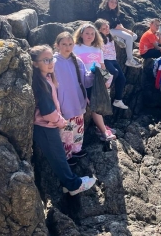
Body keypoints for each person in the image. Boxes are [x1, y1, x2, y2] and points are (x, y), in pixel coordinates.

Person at [30, 45, 96, 195]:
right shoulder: (41, 83)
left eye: (51, 59)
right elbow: (47, 111)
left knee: (58, 156)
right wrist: (61, 122)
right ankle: (73, 186)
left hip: (49, 124)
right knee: (59, 158)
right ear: (35, 63)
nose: (50, 63)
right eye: (45, 60)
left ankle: (69, 183)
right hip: (45, 126)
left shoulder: (46, 78)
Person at [53, 32, 93, 166]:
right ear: (57, 45)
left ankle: (76, 150)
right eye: (64, 44)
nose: (67, 47)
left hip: (78, 102)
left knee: (78, 130)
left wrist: (95, 73)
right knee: (66, 133)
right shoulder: (53, 62)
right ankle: (66, 156)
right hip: (64, 105)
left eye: (70, 44)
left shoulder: (78, 61)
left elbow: (86, 81)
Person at [73, 23, 117, 141]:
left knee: (100, 105)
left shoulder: (98, 48)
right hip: (84, 82)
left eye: (92, 33)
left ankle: (101, 127)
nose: (90, 35)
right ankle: (103, 132)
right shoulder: (75, 48)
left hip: (97, 82)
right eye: (87, 33)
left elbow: (102, 65)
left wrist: (107, 78)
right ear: (81, 34)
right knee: (95, 106)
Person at [96, 0, 141, 67]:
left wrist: (124, 29)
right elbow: (114, 26)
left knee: (134, 36)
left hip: (115, 29)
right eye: (111, 2)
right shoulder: (103, 12)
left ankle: (120, 40)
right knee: (129, 37)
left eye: (115, 2)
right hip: (107, 31)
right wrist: (127, 31)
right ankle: (129, 60)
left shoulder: (113, 12)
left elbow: (119, 23)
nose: (114, 4)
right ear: (107, 2)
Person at [94, 19, 128, 110]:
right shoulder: (98, 39)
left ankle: (118, 100)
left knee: (122, 78)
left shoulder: (110, 36)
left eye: (107, 27)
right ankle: (105, 89)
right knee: (113, 72)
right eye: (103, 28)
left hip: (113, 59)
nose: (106, 29)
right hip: (105, 60)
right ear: (99, 30)